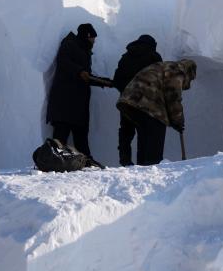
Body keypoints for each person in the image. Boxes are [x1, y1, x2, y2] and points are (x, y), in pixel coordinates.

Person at [46, 23, 110, 166]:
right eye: (93, 38)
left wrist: (104, 82)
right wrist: (79, 71)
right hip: (65, 101)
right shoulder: (70, 44)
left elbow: (85, 76)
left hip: (78, 104)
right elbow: (64, 62)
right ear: (87, 36)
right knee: (60, 135)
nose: (94, 41)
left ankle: (86, 161)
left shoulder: (83, 50)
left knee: (81, 135)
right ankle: (53, 161)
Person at [118, 59, 197, 165]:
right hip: (147, 103)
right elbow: (173, 96)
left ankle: (142, 168)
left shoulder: (163, 66)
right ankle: (152, 165)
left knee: (145, 137)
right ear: (189, 72)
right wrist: (178, 120)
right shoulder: (178, 70)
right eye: (190, 79)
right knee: (156, 130)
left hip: (129, 100)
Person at [112, 34, 163, 166]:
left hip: (126, 101)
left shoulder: (126, 57)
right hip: (144, 102)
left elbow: (117, 79)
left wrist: (126, 90)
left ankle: (125, 160)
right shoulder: (154, 57)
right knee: (144, 131)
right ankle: (143, 163)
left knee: (126, 130)